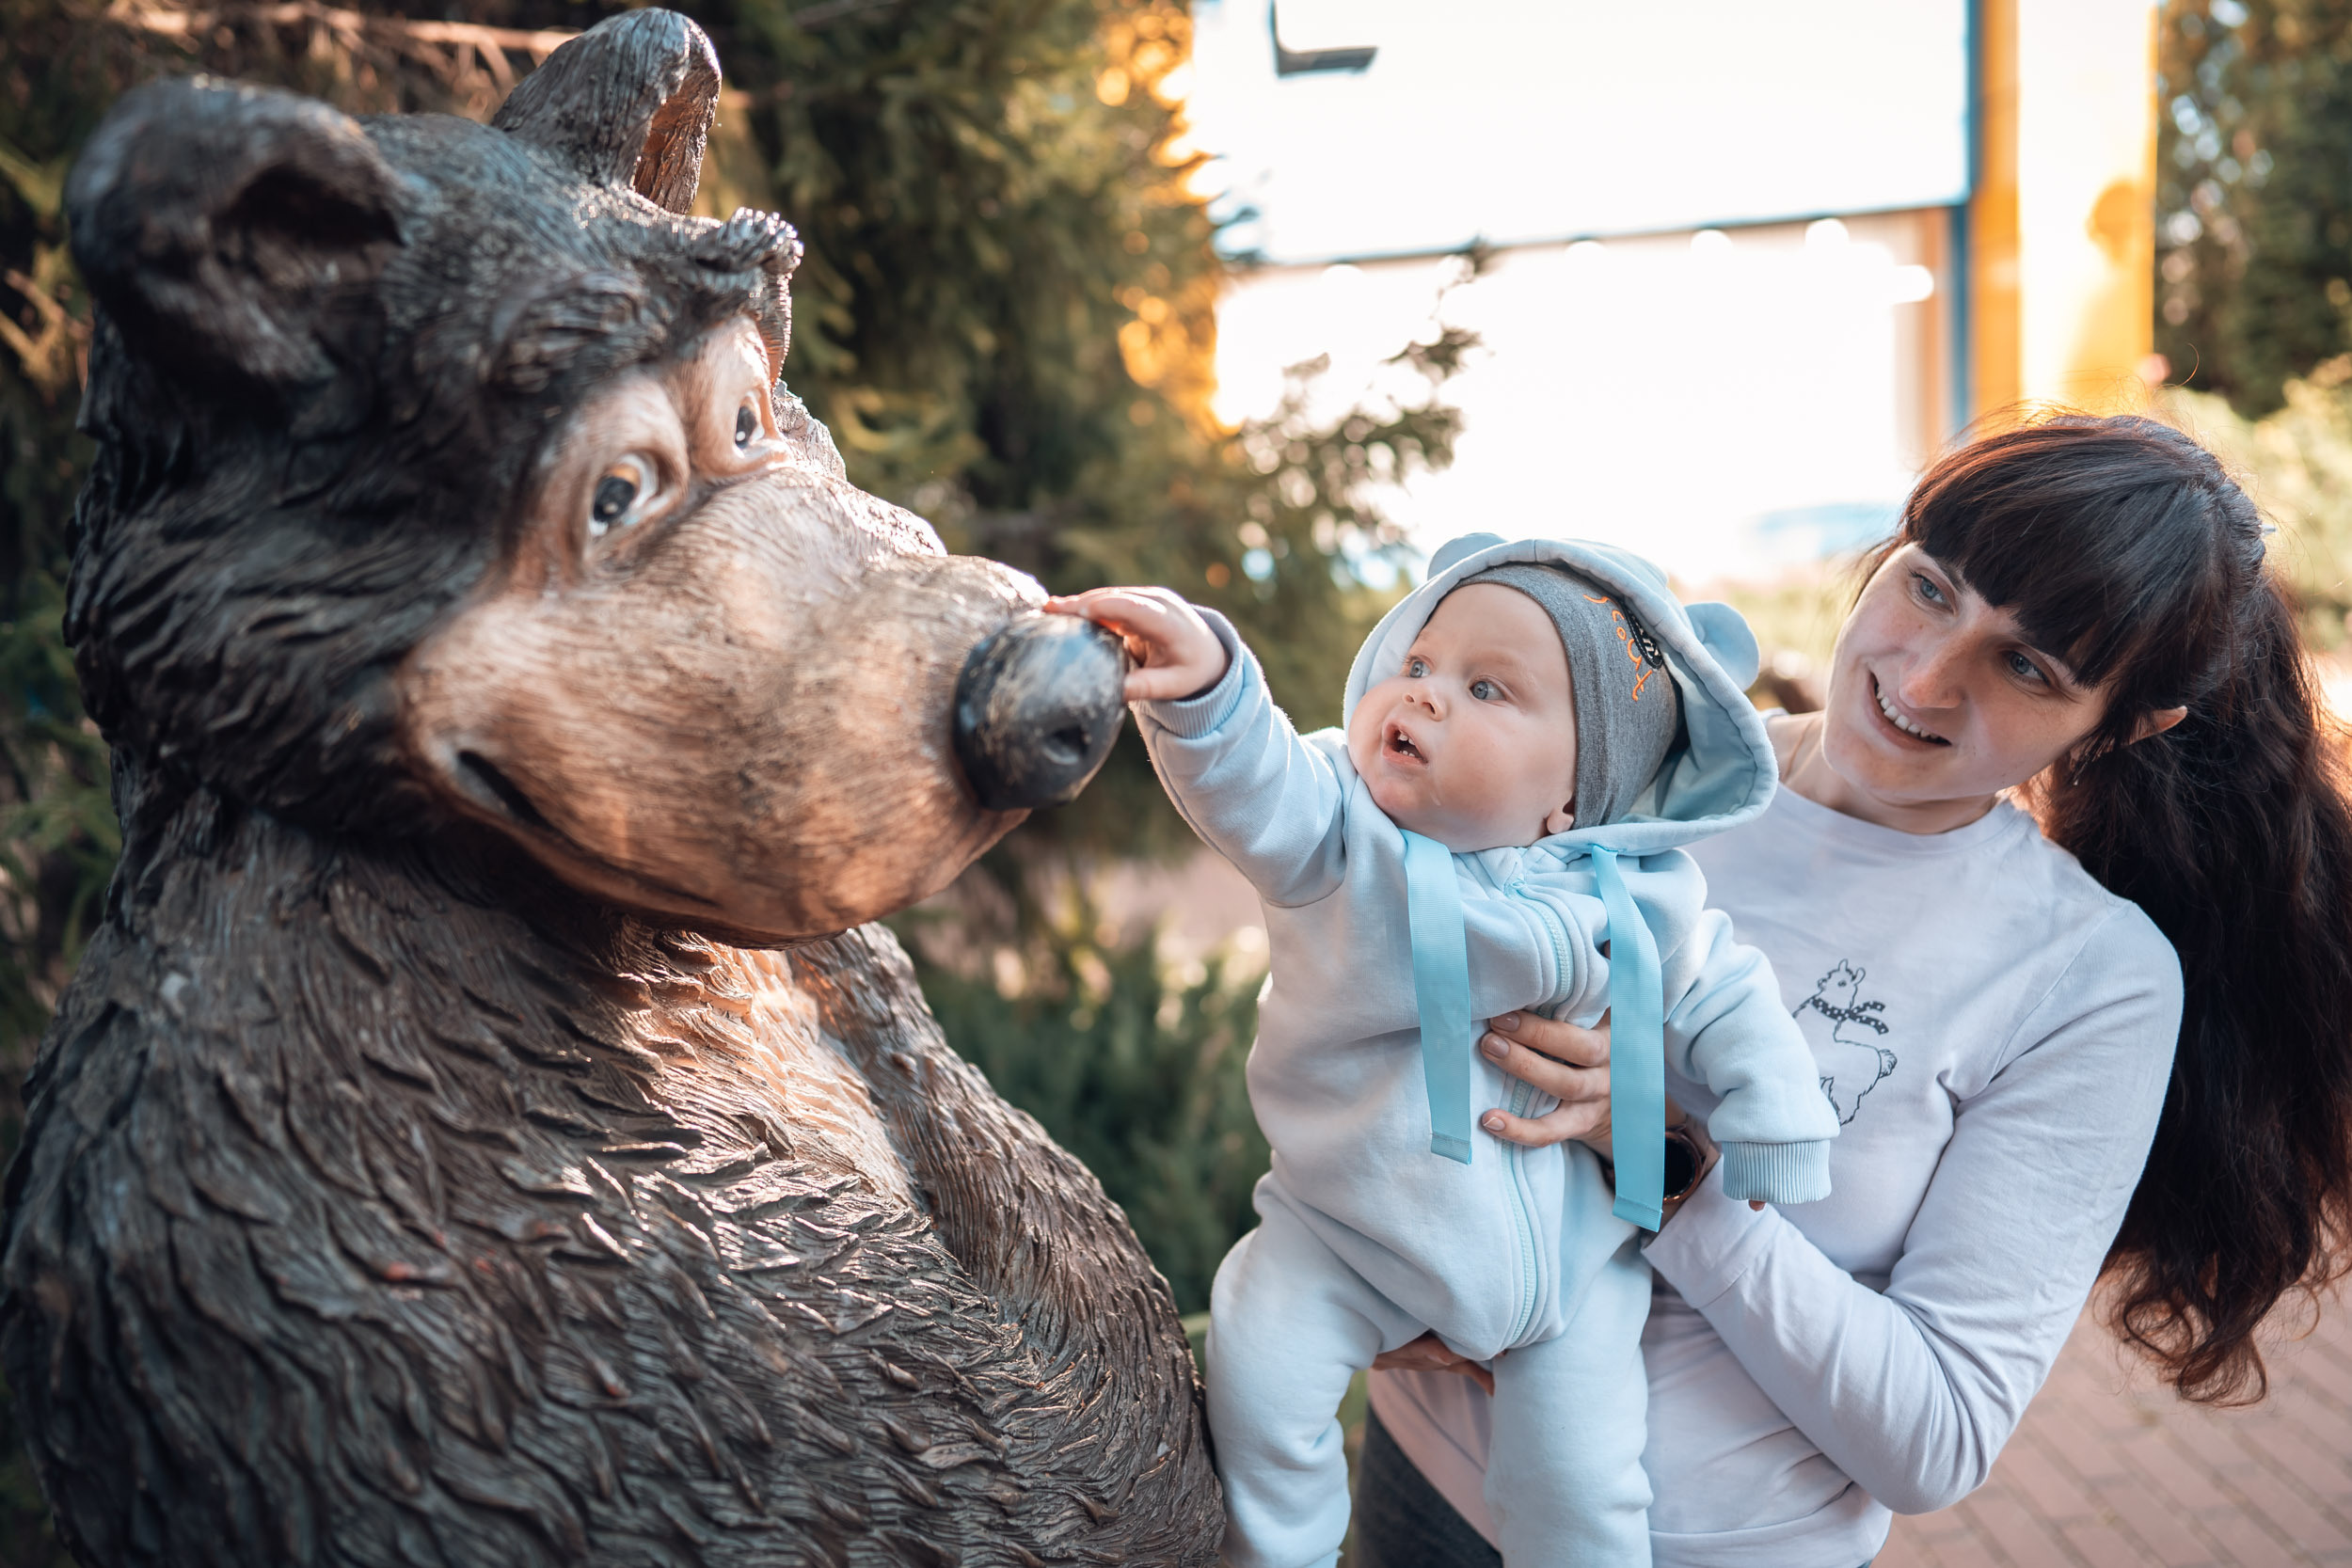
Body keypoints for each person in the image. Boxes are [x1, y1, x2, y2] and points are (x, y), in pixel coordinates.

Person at [1358, 413, 2352, 1567]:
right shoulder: (1626, 771)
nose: (1924, 677)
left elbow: (1932, 1438)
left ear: (2129, 721)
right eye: (1930, 588)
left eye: (2027, 666)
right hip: (1424, 1470)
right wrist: (1369, 1264)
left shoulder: (2090, 978)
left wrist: (1671, 1166)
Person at [1049, 537, 1840, 1568]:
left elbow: (1729, 992)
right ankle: (1272, 1553)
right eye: (1418, 664)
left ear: (1575, 795)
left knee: (1584, 1488)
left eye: (1483, 687)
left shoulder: (1639, 898)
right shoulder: (1342, 837)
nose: (1420, 697)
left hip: (1569, 1272)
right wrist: (1206, 682)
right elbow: (1259, 780)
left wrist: (1776, 1123)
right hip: (1340, 1233)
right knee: (1262, 1366)